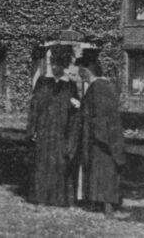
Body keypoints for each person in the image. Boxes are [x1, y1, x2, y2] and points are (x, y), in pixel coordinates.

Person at [25, 45, 79, 207]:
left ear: (64, 65)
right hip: (44, 129)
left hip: (61, 131)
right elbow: (34, 107)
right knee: (43, 163)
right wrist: (32, 129)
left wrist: (76, 105)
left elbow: (74, 112)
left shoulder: (70, 85)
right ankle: (41, 197)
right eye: (53, 63)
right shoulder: (42, 82)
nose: (55, 67)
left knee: (60, 163)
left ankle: (58, 198)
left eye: (59, 64)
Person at [75, 54, 125, 216]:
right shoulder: (106, 85)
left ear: (88, 69)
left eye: (81, 70)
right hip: (106, 136)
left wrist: (82, 109)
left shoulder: (98, 87)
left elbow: (99, 113)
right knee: (103, 170)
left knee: (102, 169)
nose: (80, 74)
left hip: (100, 137)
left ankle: (106, 205)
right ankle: (101, 203)